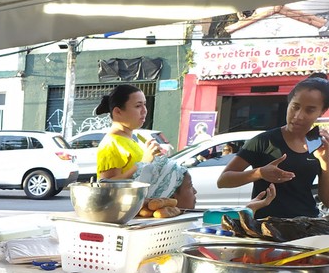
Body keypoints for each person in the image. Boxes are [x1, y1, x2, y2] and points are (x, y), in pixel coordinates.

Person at [94, 85, 275, 211]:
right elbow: (107, 188)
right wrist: (144, 163)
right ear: (118, 112)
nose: (144, 111)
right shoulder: (111, 143)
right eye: (138, 106)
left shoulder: (135, 138)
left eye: (145, 105)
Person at [217, 76, 329, 219]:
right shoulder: (264, 141)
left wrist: (326, 162)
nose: (298, 116)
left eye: (310, 110)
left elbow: (327, 201)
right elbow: (223, 181)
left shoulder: (321, 145)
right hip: (265, 227)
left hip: (306, 228)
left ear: (322, 111)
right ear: (289, 103)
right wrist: (259, 173)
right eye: (295, 107)